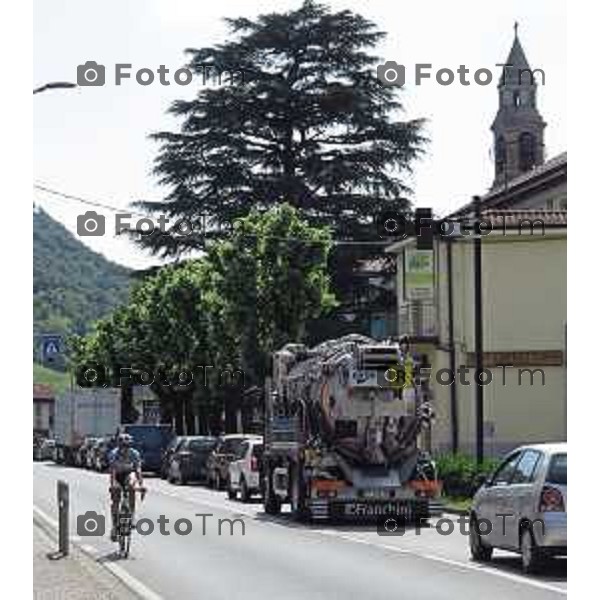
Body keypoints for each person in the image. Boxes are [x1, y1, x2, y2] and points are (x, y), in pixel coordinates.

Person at [108, 433, 144, 541]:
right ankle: (115, 526)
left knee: (132, 486)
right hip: (117, 475)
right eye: (122, 446)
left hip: (128, 474)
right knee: (115, 500)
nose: (125, 449)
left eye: (127, 446)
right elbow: (113, 471)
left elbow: (137, 470)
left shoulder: (134, 453)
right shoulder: (114, 454)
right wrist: (113, 485)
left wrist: (141, 485)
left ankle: (131, 516)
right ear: (119, 446)